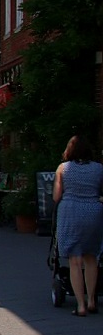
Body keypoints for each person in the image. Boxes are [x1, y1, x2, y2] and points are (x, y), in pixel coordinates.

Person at [53, 135, 103, 317]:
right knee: (91, 258)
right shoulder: (99, 168)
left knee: (75, 260)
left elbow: (56, 197)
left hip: (71, 212)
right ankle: (91, 301)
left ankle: (80, 305)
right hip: (93, 212)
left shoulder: (63, 168)